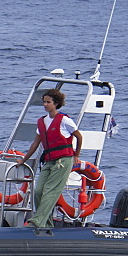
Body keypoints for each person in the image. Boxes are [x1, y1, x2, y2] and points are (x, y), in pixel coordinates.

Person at [17, 88, 84, 228]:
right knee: (38, 190)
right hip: (48, 160)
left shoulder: (64, 120)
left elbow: (78, 136)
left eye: (48, 102)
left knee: (50, 190)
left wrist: (76, 155)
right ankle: (47, 223)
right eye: (44, 102)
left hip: (63, 160)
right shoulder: (42, 122)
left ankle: (37, 221)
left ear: (56, 103)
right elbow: (36, 143)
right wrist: (24, 159)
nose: (45, 105)